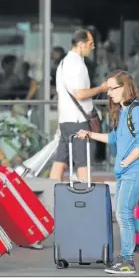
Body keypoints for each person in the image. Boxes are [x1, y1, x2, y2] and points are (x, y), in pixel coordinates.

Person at [76, 70, 139, 274]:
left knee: (124, 214)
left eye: (112, 88)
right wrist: (90, 134)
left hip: (133, 172)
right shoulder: (124, 110)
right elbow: (114, 138)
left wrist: (125, 162)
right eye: (108, 88)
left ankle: (127, 261)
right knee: (125, 216)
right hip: (125, 173)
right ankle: (126, 258)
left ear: (124, 87)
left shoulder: (136, 110)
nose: (109, 93)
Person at [49, 29, 108, 182]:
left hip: (65, 121)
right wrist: (101, 88)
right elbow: (80, 94)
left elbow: (61, 98)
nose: (92, 47)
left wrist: (59, 123)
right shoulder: (77, 65)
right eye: (90, 44)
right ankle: (85, 200)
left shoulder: (62, 64)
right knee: (84, 162)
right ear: (81, 44)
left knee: (59, 163)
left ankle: (49, 198)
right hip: (79, 121)